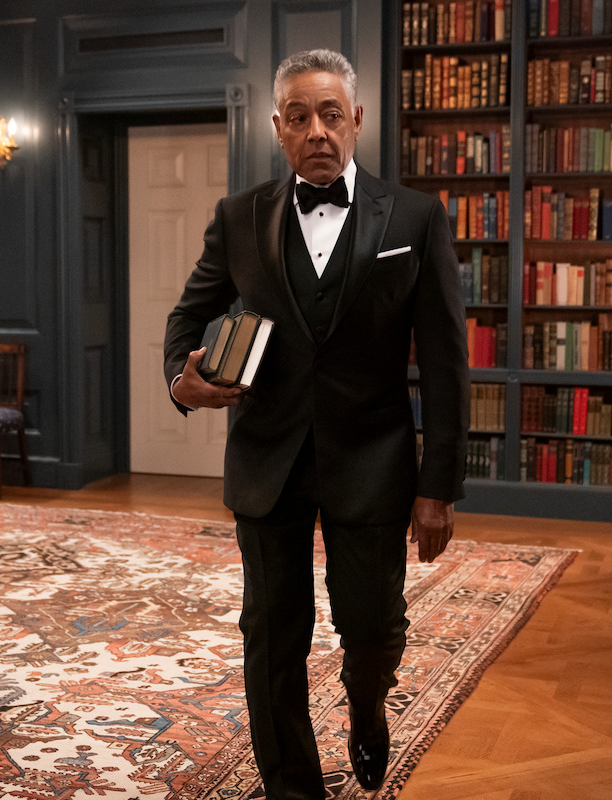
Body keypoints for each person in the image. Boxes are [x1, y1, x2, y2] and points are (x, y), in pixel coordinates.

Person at [163, 49, 469, 799]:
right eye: (298, 117)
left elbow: (445, 361)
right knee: (272, 636)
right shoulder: (239, 217)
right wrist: (182, 377)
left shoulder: (416, 217)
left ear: (356, 119)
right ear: (278, 128)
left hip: (374, 460)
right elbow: (188, 315)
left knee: (373, 630)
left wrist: (437, 488)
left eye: (331, 114)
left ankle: (367, 706)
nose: (317, 131)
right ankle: (292, 787)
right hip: (268, 460)